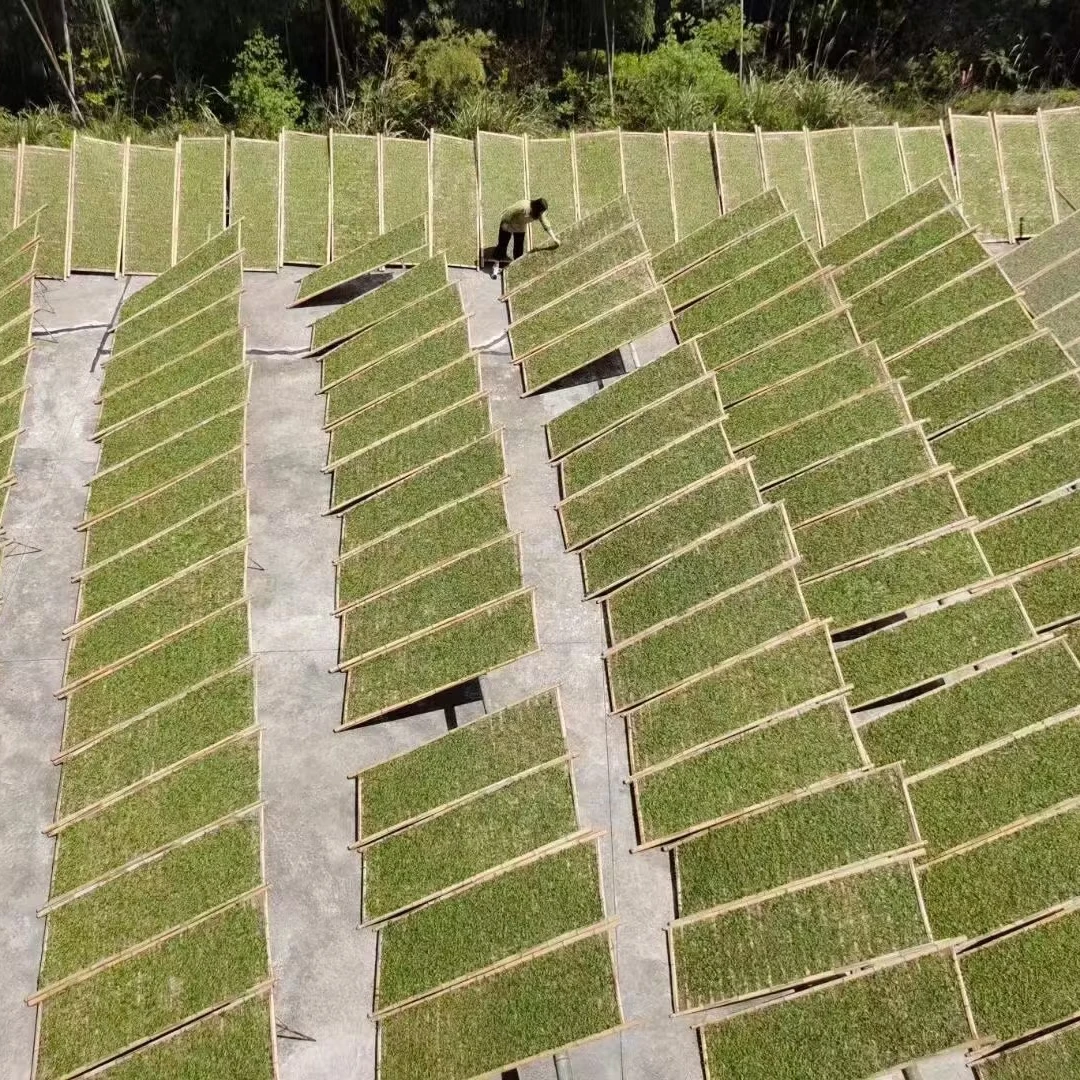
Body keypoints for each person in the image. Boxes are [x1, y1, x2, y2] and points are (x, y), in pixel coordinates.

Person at [494, 197, 560, 262]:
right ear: (537, 208)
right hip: (509, 223)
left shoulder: (539, 213)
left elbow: (546, 224)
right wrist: (505, 225)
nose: (542, 214)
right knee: (503, 244)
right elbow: (508, 213)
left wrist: (554, 238)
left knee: (519, 247)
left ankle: (517, 263)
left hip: (520, 226)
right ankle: (498, 259)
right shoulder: (523, 206)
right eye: (541, 212)